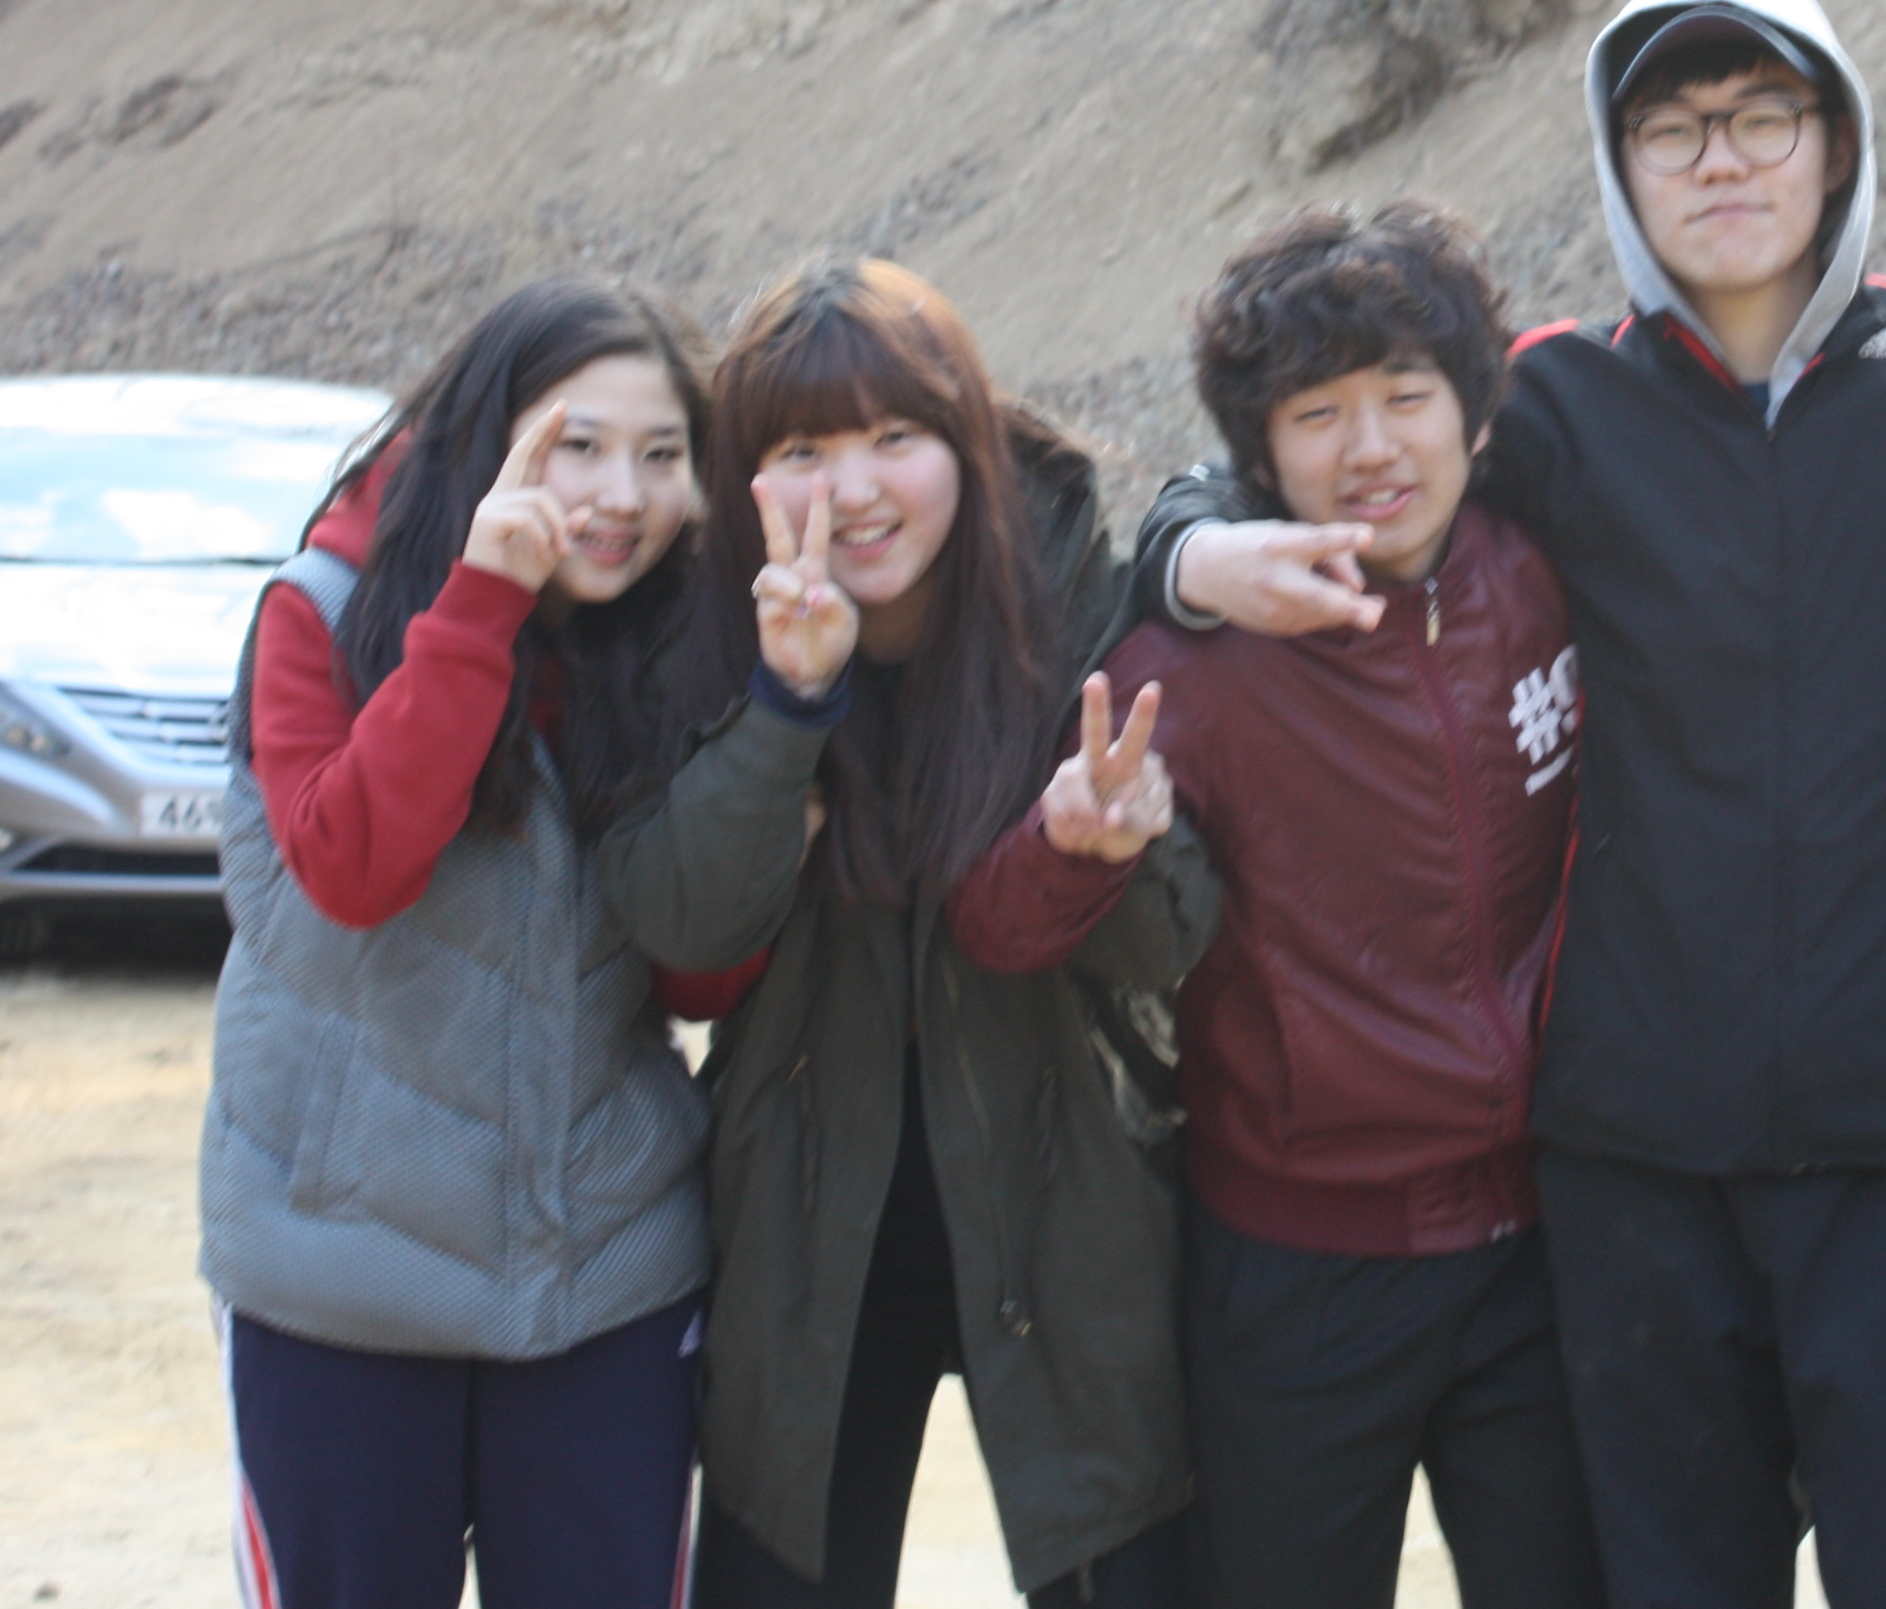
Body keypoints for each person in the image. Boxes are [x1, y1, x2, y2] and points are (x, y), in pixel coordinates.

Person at [1152, 0, 1886, 1609]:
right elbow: (1318, 449)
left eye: (1763, 115)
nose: (1721, 160)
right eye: (1671, 128)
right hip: (1637, 1143)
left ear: (1837, 141)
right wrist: (1188, 549)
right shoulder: (1557, 402)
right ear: (1619, 163)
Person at [953, 201, 1609, 1609]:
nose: (1371, 447)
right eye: (1318, 414)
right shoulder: (1194, 665)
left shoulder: (1548, 577)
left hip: (1542, 1245)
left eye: (1407, 397)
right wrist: (1077, 842)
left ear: (1475, 413)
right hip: (1301, 1269)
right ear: (1261, 454)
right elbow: (997, 926)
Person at [598, 258, 1207, 1609]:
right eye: (803, 451)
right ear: (746, 476)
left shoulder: (1084, 606)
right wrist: (784, 705)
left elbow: (1182, 941)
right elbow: (678, 924)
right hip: (806, 1217)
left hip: (1072, 1206)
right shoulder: (705, 630)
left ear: (967, 441)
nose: (855, 490)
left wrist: (1103, 852)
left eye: (894, 437)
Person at [200, 276, 722, 1609]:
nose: (621, 495)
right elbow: (353, 867)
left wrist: (772, 749)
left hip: (605, 1279)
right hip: (337, 1285)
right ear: (487, 440)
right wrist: (482, 603)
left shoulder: (673, 638)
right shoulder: (322, 609)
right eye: (577, 445)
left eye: (662, 456)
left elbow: (706, 971)